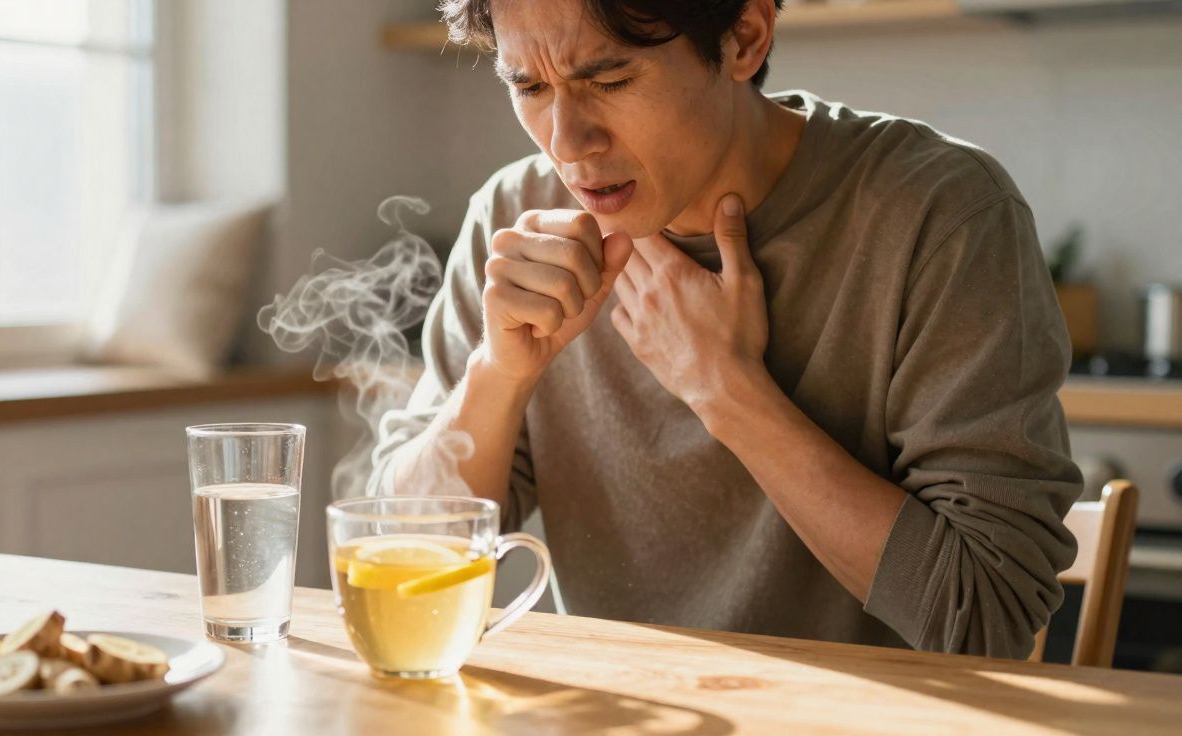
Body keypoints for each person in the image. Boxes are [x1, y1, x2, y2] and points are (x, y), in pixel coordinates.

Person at [370, 0, 1083, 658]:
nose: (569, 142)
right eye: (528, 88)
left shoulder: (939, 214)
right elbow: (400, 558)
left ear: (745, 34)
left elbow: (987, 619)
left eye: (610, 79)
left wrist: (726, 389)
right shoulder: (516, 219)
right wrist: (499, 373)